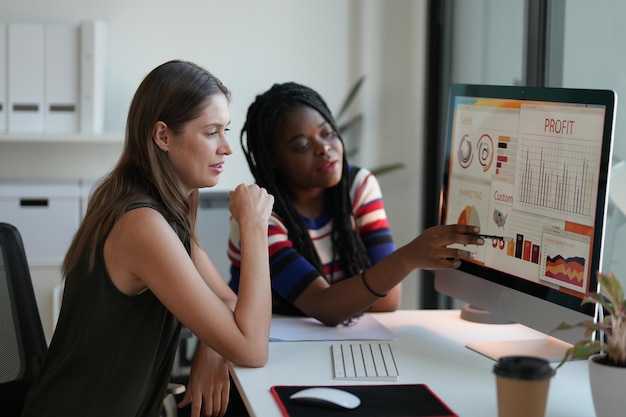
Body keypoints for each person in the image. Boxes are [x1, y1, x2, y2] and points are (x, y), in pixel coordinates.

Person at [21, 60, 274, 417]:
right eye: (211, 132)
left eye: (226, 130)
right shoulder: (142, 225)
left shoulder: (171, 205)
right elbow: (252, 348)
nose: (227, 148)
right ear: (163, 136)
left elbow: (227, 302)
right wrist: (254, 227)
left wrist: (213, 347)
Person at [227, 81, 483, 326]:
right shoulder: (258, 215)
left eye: (328, 133)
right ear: (273, 159)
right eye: (302, 145)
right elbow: (325, 307)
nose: (324, 149)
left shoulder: (357, 186)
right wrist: (408, 257)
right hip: (266, 348)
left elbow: (389, 300)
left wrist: (341, 302)